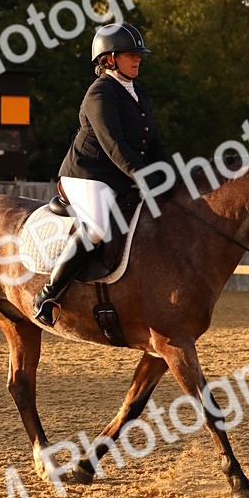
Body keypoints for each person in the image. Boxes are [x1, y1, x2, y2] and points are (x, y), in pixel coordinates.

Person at [33, 22, 174, 326]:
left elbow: (154, 143)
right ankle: (48, 295)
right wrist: (144, 177)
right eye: (131, 54)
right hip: (87, 174)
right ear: (110, 59)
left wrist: (173, 175)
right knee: (96, 226)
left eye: (139, 54)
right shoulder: (100, 93)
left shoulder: (137, 93)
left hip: (118, 175)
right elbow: (114, 145)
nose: (138, 58)